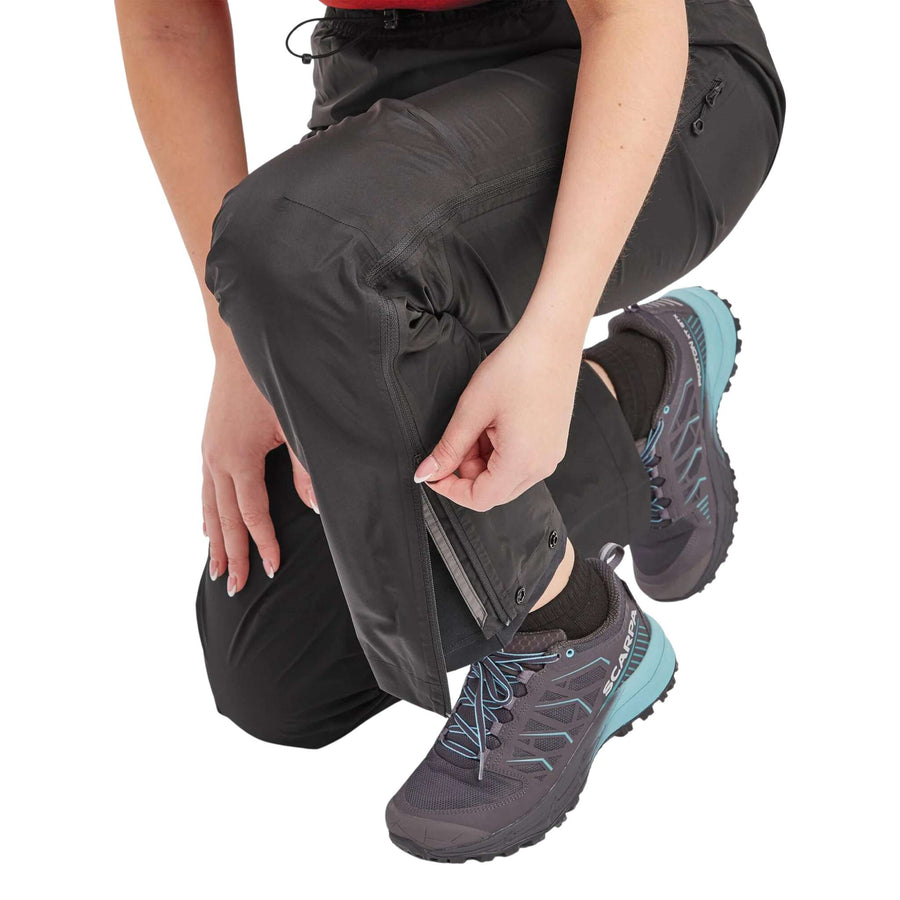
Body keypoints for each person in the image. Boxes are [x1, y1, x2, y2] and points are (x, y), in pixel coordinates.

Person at [116, 0, 785, 862]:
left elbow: (631, 19)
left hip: (655, 77)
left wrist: (552, 331)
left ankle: (569, 628)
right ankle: (634, 397)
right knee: (278, 665)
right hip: (392, 88)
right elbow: (167, 26)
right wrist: (237, 348)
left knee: (306, 249)